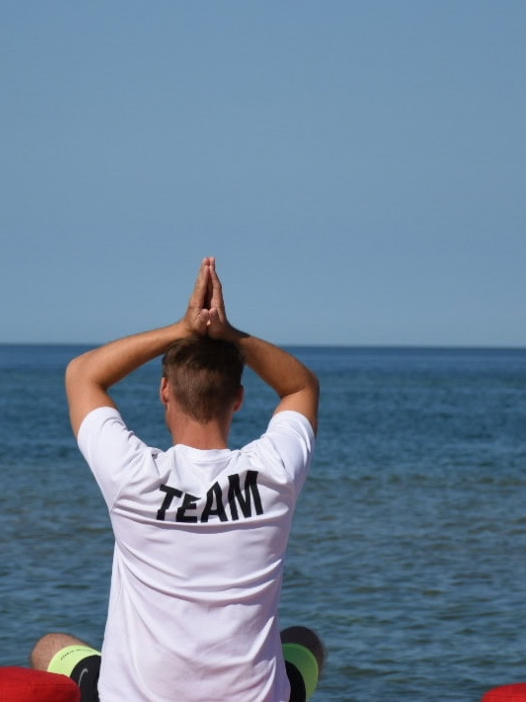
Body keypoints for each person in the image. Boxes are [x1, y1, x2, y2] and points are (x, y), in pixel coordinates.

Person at [30, 257, 326, 702]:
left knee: (49, 647)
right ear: (239, 398)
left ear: (165, 391)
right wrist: (231, 335)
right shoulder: (274, 473)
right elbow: (301, 387)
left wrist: (181, 328)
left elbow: (83, 373)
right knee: (305, 641)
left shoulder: (132, 475)